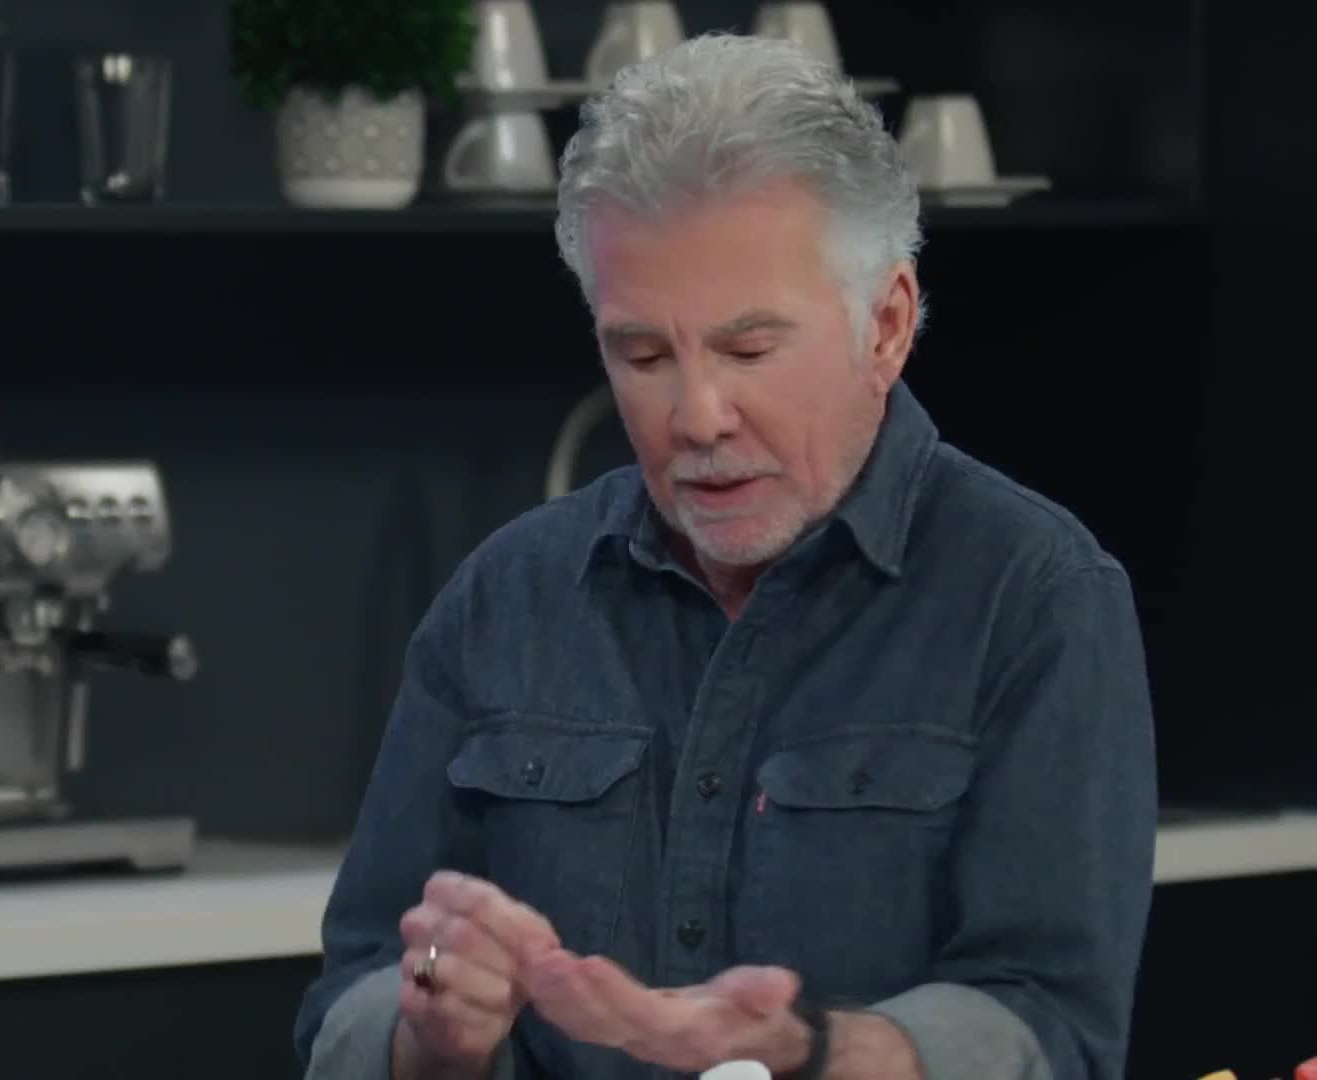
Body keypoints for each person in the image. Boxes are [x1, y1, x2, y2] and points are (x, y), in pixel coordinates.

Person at [295, 33, 1156, 1080]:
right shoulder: (503, 599)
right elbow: (352, 994)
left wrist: (813, 1051)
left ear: (885, 325)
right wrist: (428, 1028)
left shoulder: (1035, 598)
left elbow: (1053, 1034)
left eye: (750, 350)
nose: (696, 417)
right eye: (643, 355)